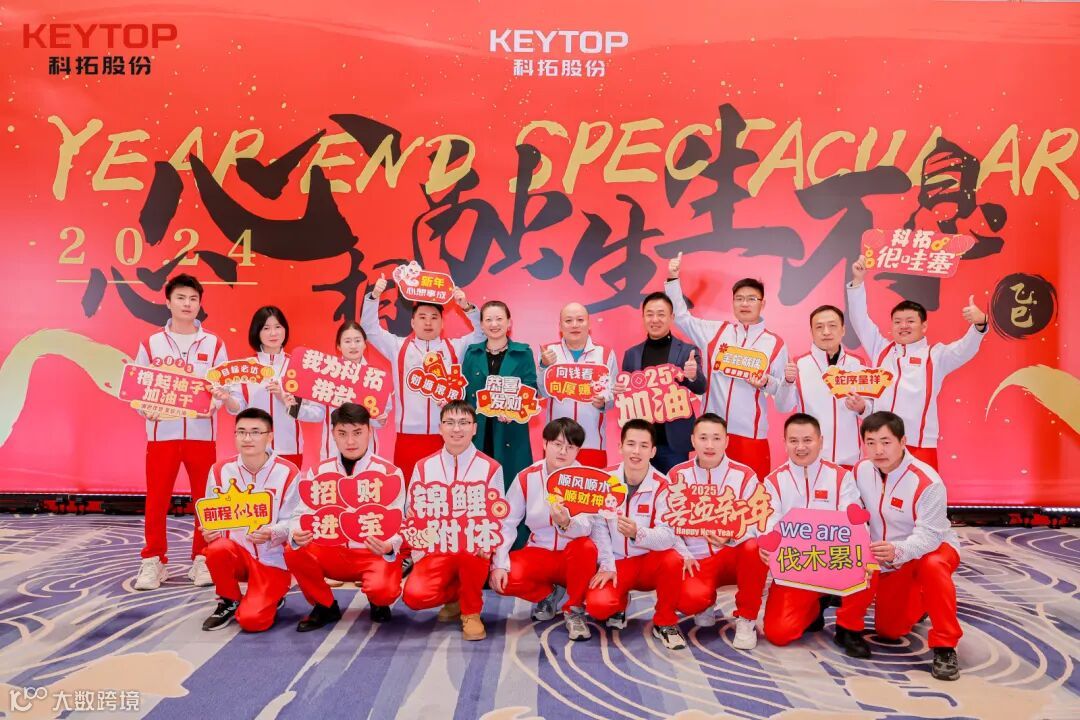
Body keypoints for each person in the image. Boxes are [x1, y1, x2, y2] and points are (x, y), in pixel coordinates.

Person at [133, 273, 241, 591]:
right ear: (168, 302)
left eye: (193, 299)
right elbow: (137, 389)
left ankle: (203, 558)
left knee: (204, 500)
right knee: (156, 500)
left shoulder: (214, 344)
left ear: (199, 304)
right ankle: (154, 560)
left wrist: (218, 401)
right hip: (161, 435)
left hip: (201, 435)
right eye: (181, 298)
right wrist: (145, 408)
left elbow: (226, 389)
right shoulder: (151, 344)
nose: (187, 304)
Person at [843, 411, 963, 681]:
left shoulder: (928, 481)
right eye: (871, 442)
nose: (878, 450)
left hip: (931, 548)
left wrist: (899, 551)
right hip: (887, 557)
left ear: (903, 441)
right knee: (889, 631)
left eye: (886, 442)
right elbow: (853, 509)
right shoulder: (860, 470)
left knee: (933, 566)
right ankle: (920, 600)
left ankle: (945, 646)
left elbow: (930, 535)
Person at [846, 256, 988, 469]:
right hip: (881, 445)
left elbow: (964, 349)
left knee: (923, 491)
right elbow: (860, 321)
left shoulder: (936, 356)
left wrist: (979, 325)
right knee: (880, 490)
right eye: (898, 322)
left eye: (910, 321)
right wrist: (858, 282)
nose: (903, 326)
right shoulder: (881, 349)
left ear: (924, 326)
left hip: (919, 444)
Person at [665, 254, 788, 482]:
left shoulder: (775, 344)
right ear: (732, 303)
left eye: (751, 299)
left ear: (762, 304)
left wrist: (767, 383)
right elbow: (681, 317)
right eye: (739, 298)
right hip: (712, 435)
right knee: (708, 493)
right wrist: (673, 279)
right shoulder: (716, 332)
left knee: (750, 496)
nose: (744, 304)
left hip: (751, 438)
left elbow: (783, 396)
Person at [284, 403, 405, 631]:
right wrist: (296, 533)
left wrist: (390, 545)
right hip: (332, 550)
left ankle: (377, 600)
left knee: (384, 592)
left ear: (369, 431)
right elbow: (300, 514)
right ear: (333, 434)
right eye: (342, 433)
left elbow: (399, 520)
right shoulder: (318, 472)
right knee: (294, 549)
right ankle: (325, 605)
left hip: (372, 551)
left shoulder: (389, 473)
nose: (350, 441)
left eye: (357, 432)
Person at [760, 414, 869, 656]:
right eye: (793, 441)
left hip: (835, 561)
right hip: (795, 567)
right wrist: (768, 545)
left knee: (867, 558)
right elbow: (769, 523)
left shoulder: (840, 477)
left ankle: (848, 627)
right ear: (784, 443)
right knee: (779, 633)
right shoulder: (773, 482)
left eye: (807, 440)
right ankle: (817, 604)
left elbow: (854, 523)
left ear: (820, 441)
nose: (800, 447)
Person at [401, 401, 504, 641]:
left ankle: (471, 612)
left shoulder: (491, 467)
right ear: (440, 428)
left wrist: (490, 547)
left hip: (473, 550)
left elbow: (498, 516)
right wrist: (420, 548)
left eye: (464, 423)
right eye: (450, 423)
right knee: (415, 596)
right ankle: (456, 597)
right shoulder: (424, 466)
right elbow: (411, 511)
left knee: (474, 546)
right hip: (436, 549)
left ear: (474, 428)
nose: (457, 429)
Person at [490, 418, 601, 642]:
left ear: (578, 450)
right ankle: (548, 594)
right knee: (502, 579)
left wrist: (566, 523)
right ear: (544, 443)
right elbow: (507, 523)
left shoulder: (586, 480)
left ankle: (574, 609)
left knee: (586, 548)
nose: (563, 451)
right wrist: (499, 564)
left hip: (576, 556)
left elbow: (588, 526)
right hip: (539, 552)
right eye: (557, 444)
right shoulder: (527, 476)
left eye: (570, 447)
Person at [362, 274, 482, 480]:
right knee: (410, 489)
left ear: (442, 323)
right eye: (422, 317)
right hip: (408, 436)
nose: (428, 322)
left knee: (445, 489)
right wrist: (374, 297)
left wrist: (467, 307)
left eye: (434, 317)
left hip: (446, 435)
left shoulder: (455, 348)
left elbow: (481, 334)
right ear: (412, 321)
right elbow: (369, 329)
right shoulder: (397, 347)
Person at [585, 419, 688, 650]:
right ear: (620, 447)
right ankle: (619, 602)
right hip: (617, 563)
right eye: (631, 444)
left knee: (673, 558)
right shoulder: (603, 481)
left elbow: (669, 535)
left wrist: (637, 533)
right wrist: (607, 565)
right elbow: (598, 527)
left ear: (653, 451)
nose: (636, 451)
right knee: (598, 607)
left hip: (649, 562)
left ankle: (665, 622)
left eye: (643, 446)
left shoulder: (664, 485)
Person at [670, 414, 769, 650]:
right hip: (697, 559)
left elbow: (760, 520)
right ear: (693, 440)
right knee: (687, 601)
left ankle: (746, 618)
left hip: (733, 555)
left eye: (716, 438)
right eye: (703, 438)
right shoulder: (677, 475)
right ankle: (705, 602)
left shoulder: (744, 475)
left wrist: (733, 534)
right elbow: (667, 522)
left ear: (727, 441)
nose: (710, 445)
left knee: (754, 547)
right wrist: (684, 554)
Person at [200, 408, 298, 632]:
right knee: (216, 549)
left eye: (255, 432)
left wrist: (273, 532)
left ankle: (273, 596)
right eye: (241, 432)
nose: (247, 438)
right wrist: (209, 531)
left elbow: (295, 520)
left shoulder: (288, 472)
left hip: (272, 559)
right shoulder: (220, 470)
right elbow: (211, 515)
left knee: (253, 621)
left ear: (269, 436)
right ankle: (229, 599)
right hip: (237, 555)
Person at [613, 292, 706, 473]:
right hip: (641, 442)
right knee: (641, 488)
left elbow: (700, 387)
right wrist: (620, 391)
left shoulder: (687, 351)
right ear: (643, 317)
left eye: (661, 314)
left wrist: (693, 375)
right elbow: (628, 397)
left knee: (674, 488)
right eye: (650, 314)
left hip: (674, 443)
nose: (655, 319)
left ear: (672, 317)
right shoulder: (631, 354)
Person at [775, 305, 871, 468]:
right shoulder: (798, 364)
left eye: (832, 325)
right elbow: (783, 407)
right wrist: (787, 382)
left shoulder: (858, 364)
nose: (826, 332)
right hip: (810, 460)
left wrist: (862, 407)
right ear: (811, 332)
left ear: (843, 330)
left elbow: (871, 412)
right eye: (819, 327)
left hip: (850, 461)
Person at [231, 306, 323, 470]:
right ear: (257, 332)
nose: (273, 333)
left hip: (290, 448)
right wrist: (226, 399)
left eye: (278, 327)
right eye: (266, 328)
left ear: (285, 329)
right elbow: (238, 408)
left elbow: (318, 413)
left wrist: (287, 403)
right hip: (253, 449)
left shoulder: (299, 367)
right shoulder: (245, 368)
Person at [462, 300, 538, 489]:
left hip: (511, 430)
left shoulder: (523, 353)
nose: (494, 324)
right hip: (478, 430)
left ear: (509, 322)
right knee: (476, 487)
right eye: (488, 320)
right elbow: (464, 391)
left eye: (499, 319)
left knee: (511, 487)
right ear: (481, 325)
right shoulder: (472, 353)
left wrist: (515, 411)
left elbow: (531, 388)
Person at [537, 303, 619, 468]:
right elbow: (541, 393)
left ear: (589, 324)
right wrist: (544, 366)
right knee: (555, 484)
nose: (574, 325)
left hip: (593, 443)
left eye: (580, 320)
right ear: (560, 326)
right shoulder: (549, 352)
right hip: (556, 443)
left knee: (591, 484)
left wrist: (604, 402)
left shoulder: (605, 354)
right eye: (568, 321)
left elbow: (613, 395)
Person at [304, 322, 391, 460]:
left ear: (365, 344)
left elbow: (383, 410)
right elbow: (317, 413)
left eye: (357, 340)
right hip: (333, 448)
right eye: (347, 341)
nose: (353, 346)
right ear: (339, 346)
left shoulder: (375, 377)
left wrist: (379, 420)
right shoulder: (327, 373)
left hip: (366, 447)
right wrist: (295, 407)